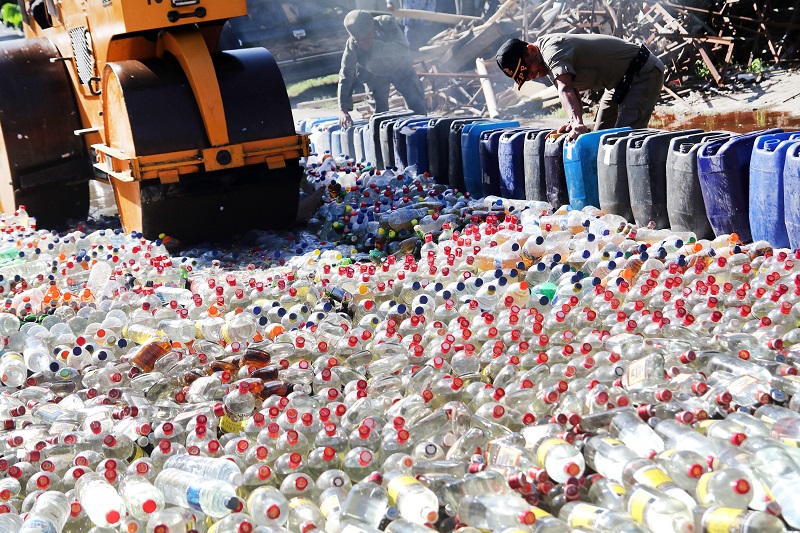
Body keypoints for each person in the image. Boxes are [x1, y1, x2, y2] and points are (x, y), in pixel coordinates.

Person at [495, 34, 664, 140]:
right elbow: (573, 91)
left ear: (531, 50)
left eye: (528, 70)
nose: (531, 77)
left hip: (642, 72)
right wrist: (572, 122)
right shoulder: (543, 64)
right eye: (525, 77)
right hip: (618, 82)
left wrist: (577, 122)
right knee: (599, 137)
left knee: (624, 139)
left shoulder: (552, 50)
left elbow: (565, 88)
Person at [338, 10, 427, 128]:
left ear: (373, 27)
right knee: (379, 116)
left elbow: (403, 49)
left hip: (401, 69)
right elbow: (346, 74)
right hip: (374, 76)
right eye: (360, 39)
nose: (363, 42)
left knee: (417, 106)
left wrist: (374, 46)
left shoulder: (386, 24)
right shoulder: (352, 45)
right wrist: (343, 109)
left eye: (366, 36)